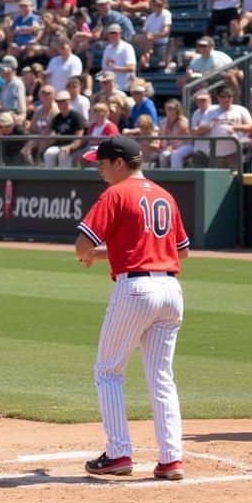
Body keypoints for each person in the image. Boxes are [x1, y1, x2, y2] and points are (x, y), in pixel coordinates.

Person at [74, 134, 190, 480]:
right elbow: (180, 250)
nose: (100, 170)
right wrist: (109, 253)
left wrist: (91, 253)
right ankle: (171, 458)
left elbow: (81, 246)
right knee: (161, 377)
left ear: (120, 163)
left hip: (136, 290)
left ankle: (119, 452)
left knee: (108, 371)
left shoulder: (115, 193)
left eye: (103, 163)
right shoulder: (165, 195)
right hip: (171, 289)